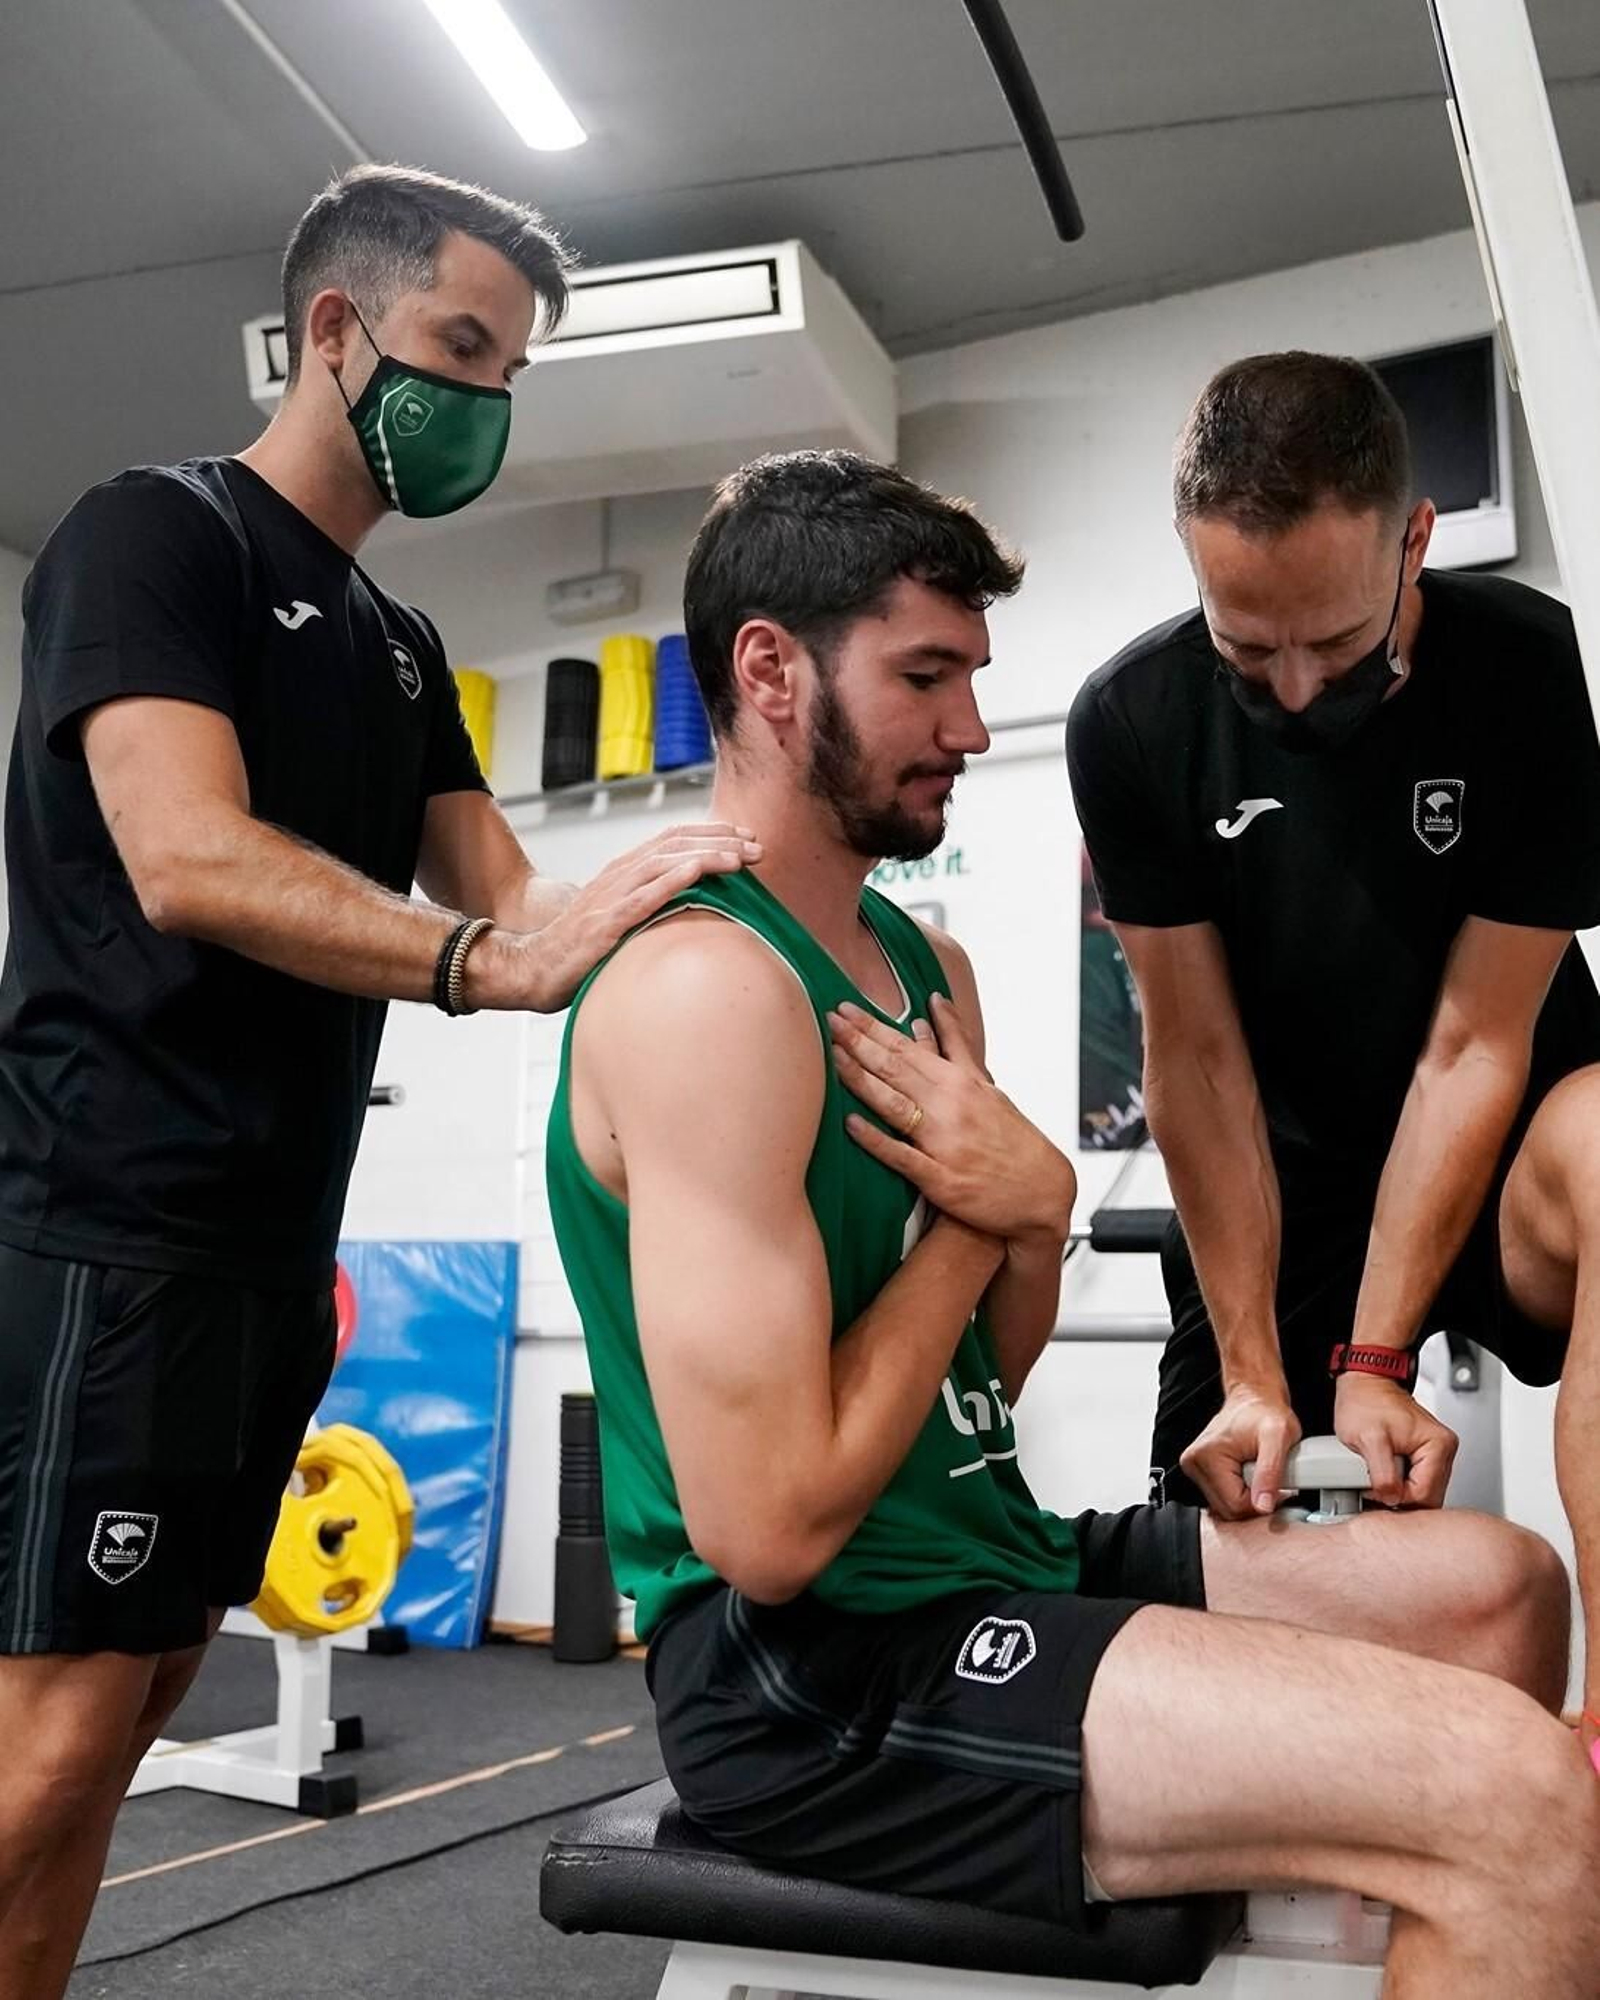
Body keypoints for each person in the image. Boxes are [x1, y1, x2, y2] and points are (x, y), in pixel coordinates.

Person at [550, 447, 1599, 1995]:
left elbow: (991, 1375)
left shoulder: (925, 969)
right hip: (807, 1671)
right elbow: (769, 1531)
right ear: (769, 673)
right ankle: (1463, 1862)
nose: (971, 728)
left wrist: (1021, 1243)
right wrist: (1004, 1214)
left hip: (986, 1553)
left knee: (1501, 1589)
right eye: (927, 678)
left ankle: (1422, 1922)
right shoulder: (709, 992)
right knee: (1514, 1798)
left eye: (974, 677)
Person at [0, 162, 757, 1998]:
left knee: (154, 1685)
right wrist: (488, 962)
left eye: (511, 374)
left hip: (269, 1256)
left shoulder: (398, 644)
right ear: (338, 331)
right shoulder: (152, 537)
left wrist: (699, 899)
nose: (485, 405)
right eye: (460, 350)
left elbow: (509, 891)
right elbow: (185, 855)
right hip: (115, 1233)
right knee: (52, 1743)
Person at [1067, 351, 1600, 1766]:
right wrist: (1266, 1370)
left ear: (1415, 539)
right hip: (1281, 1169)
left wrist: (1381, 1354)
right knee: (1227, 1548)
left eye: (1339, 645)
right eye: (1249, 648)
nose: (1296, 693)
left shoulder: (1525, 666)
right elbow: (1195, 1062)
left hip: (1505, 1136)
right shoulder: (1130, 724)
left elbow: (1476, 1041)